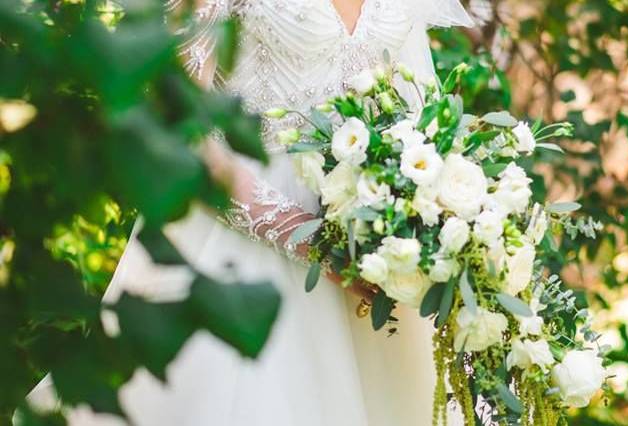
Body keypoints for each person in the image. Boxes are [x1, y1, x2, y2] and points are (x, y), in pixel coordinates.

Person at [27, 1, 474, 425]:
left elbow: (420, 116)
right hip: (237, 245)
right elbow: (179, 122)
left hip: (371, 250)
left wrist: (430, 220)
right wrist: (308, 237)